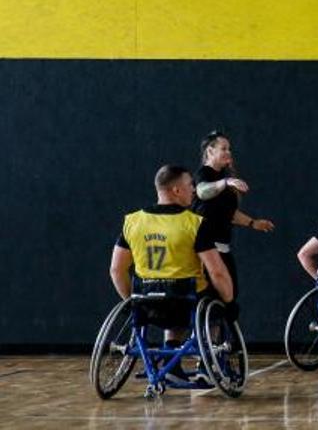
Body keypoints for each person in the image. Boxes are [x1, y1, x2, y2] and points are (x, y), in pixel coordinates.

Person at [109, 164, 234, 385]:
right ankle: (208, 364)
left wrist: (131, 300)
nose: (194, 190)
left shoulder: (133, 221)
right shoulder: (194, 223)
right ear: (176, 190)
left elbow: (116, 270)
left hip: (147, 304)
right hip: (186, 304)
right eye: (189, 185)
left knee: (170, 296)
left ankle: (172, 366)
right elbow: (217, 271)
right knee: (218, 301)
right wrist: (228, 300)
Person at [192, 131, 274, 300]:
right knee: (213, 298)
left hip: (222, 247)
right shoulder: (204, 174)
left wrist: (253, 223)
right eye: (224, 148)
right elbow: (201, 191)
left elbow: (228, 213)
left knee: (227, 300)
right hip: (206, 249)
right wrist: (226, 182)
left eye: (229, 149)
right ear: (210, 151)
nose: (228, 152)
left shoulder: (223, 179)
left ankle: (216, 326)